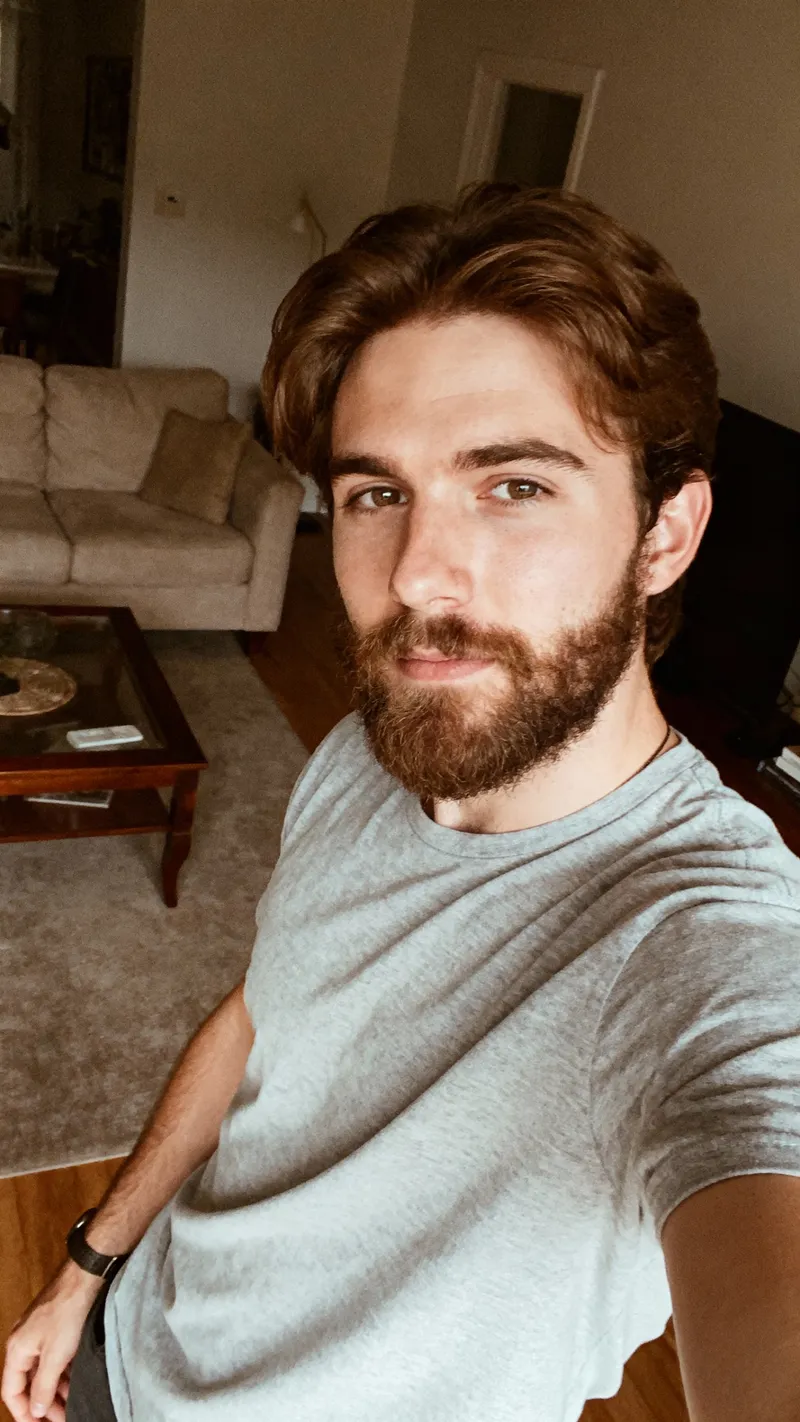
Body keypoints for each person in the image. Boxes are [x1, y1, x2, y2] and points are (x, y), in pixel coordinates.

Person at [4, 182, 800, 1422]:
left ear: (664, 532)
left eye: (514, 485)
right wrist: (88, 1266)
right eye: (376, 492)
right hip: (128, 1347)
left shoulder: (711, 946)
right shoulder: (362, 763)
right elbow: (265, 1013)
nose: (417, 574)